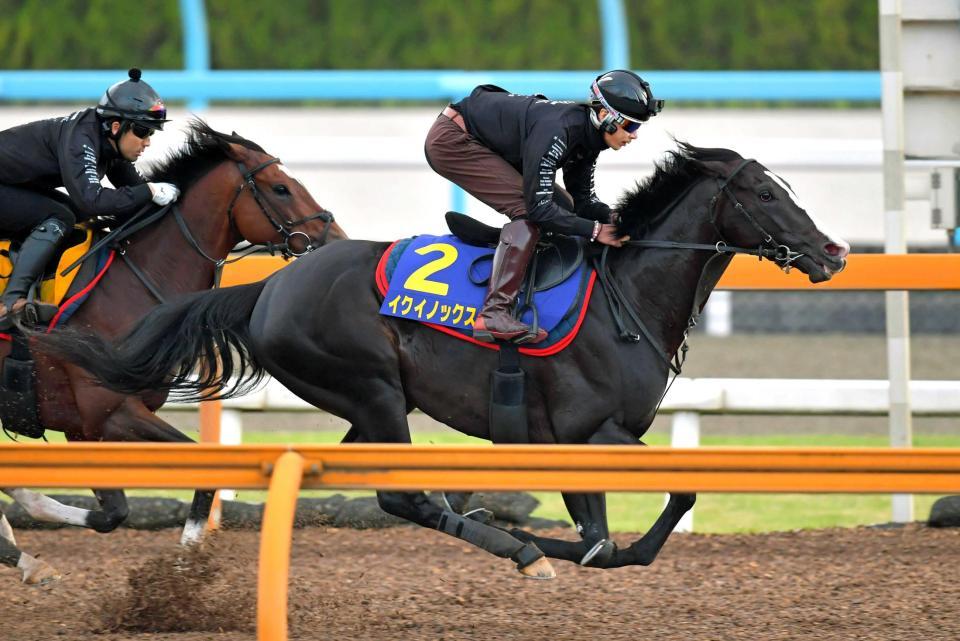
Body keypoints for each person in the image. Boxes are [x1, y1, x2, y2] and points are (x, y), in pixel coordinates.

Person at [425, 69, 662, 344]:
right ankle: (493, 313)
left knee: (564, 206)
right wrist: (596, 231)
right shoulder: (558, 131)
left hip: (480, 134)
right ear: (605, 117)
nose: (634, 136)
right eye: (631, 126)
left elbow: (583, 204)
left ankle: (512, 249)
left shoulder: (588, 138)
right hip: (453, 140)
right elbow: (539, 210)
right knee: (530, 212)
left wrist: (618, 218)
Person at [0, 67, 181, 325]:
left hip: (9, 184)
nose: (147, 142)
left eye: (151, 133)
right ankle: (10, 301)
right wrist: (149, 191)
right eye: (142, 131)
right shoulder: (81, 138)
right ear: (117, 126)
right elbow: (93, 199)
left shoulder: (108, 141)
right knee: (61, 215)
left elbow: (137, 199)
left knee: (76, 214)